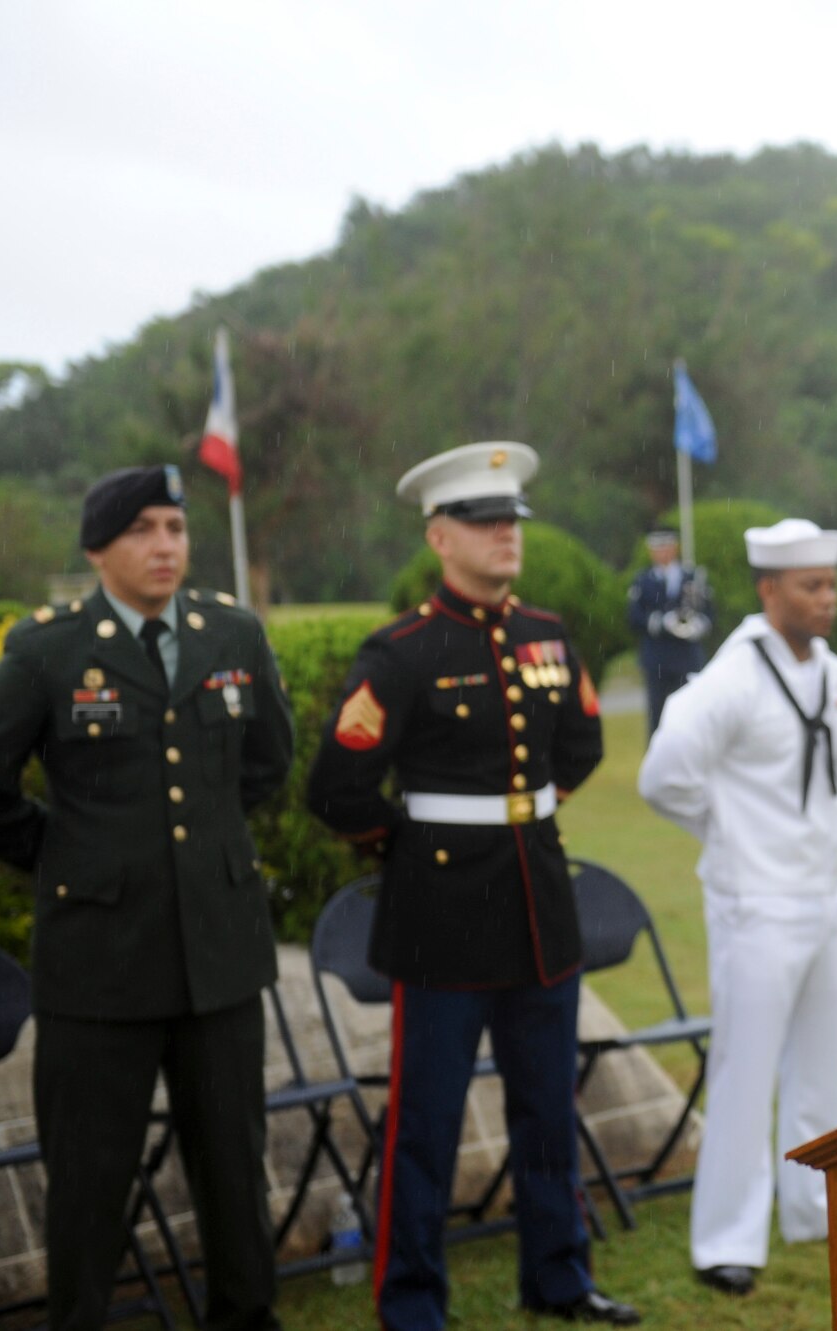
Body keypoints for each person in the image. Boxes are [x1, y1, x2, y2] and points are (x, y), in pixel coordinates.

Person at [0, 464, 293, 1331]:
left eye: (175, 526)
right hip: (100, 968)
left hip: (220, 956)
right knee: (90, 1187)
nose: (164, 545)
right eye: (142, 531)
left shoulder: (232, 635)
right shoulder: (49, 649)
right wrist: (71, 856)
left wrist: (197, 849)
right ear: (98, 549)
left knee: (236, 1175)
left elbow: (266, 764)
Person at [304, 443, 638, 1328]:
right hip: (441, 917)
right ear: (439, 536)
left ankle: (559, 1278)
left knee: (547, 1113)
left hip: (539, 908)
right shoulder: (402, 652)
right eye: (485, 523)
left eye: (512, 520)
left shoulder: (549, 637)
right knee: (427, 1125)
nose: (505, 535)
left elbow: (583, 746)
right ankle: (413, 1301)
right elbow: (334, 786)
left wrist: (524, 812)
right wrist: (409, 845)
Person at [636, 518, 837, 1298]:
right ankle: (726, 1237)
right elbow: (663, 774)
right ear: (770, 590)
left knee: (820, 1068)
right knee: (745, 1070)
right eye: (811, 586)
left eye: (831, 583)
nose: (826, 599)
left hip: (825, 895)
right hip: (756, 902)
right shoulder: (730, 679)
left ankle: (811, 1206)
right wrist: (728, 830)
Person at [627, 528, 711, 735]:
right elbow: (634, 617)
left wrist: (696, 625)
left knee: (692, 713)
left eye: (667, 547)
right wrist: (663, 623)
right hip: (657, 658)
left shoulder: (692, 576)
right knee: (658, 716)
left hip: (687, 656)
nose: (663, 552)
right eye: (657, 548)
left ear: (675, 548)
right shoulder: (643, 580)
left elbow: (709, 612)